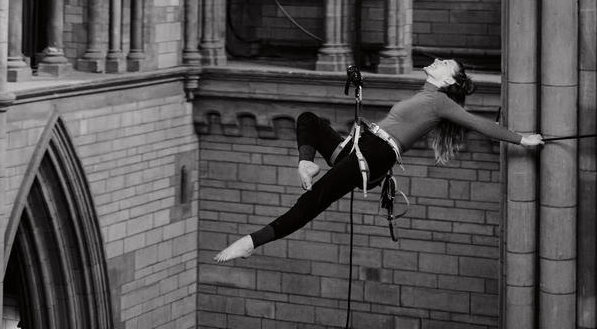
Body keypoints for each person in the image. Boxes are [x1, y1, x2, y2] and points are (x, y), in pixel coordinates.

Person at [214, 56, 544, 261]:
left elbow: (480, 123)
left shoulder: (440, 101)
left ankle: (250, 242)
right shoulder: (425, 95)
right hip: (361, 144)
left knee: (314, 200)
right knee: (308, 121)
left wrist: (522, 138)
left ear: (448, 81)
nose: (438, 61)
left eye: (445, 64)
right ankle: (306, 161)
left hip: (375, 153)